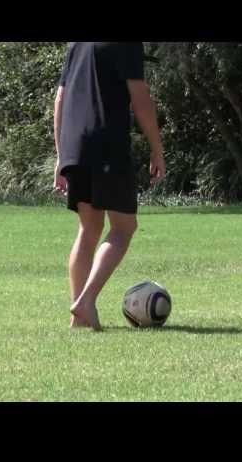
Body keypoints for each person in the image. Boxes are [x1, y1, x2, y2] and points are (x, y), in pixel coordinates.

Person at [53, 42, 166, 331]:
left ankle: (78, 318)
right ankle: (86, 301)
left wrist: (61, 154)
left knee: (88, 228)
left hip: (74, 145)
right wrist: (157, 149)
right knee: (123, 228)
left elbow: (60, 99)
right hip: (106, 145)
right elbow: (140, 99)